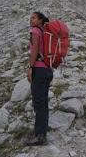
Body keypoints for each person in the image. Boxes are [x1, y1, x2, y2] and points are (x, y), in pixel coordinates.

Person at [25, 12, 53, 146]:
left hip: (39, 70)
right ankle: (42, 128)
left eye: (34, 18)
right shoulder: (45, 31)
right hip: (48, 70)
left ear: (40, 20)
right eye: (30, 18)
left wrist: (30, 67)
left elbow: (34, 49)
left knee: (38, 102)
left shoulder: (35, 31)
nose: (31, 20)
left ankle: (40, 135)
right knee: (43, 101)